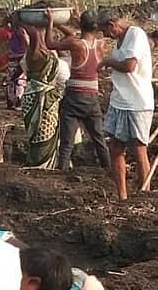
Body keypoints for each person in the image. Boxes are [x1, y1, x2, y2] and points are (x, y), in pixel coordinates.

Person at [97, 9, 153, 201]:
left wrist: (108, 62)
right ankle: (122, 196)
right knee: (115, 147)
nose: (105, 36)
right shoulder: (120, 40)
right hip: (119, 100)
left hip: (137, 102)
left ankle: (144, 194)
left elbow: (130, 66)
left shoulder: (135, 34)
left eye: (105, 31)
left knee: (138, 149)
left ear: (112, 25)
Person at [45, 9, 110, 170]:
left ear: (81, 25)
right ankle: (108, 168)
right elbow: (76, 33)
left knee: (67, 141)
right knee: (98, 138)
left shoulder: (76, 44)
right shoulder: (100, 43)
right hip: (92, 97)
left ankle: (63, 171)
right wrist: (73, 22)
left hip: (75, 97)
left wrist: (51, 23)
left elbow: (50, 44)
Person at [17, 9, 64, 169]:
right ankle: (39, 164)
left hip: (44, 98)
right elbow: (37, 41)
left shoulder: (41, 52)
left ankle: (45, 163)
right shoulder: (34, 56)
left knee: (47, 132)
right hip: (39, 99)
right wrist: (47, 23)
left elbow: (40, 43)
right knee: (41, 134)